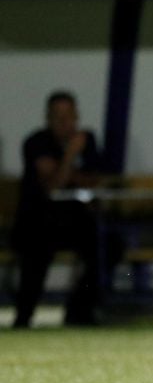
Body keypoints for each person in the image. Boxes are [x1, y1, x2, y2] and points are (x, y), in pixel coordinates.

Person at [11, 90, 106, 327]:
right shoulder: (36, 142)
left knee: (107, 247)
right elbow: (54, 187)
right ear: (48, 118)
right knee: (36, 249)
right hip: (37, 220)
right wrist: (71, 155)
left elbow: (95, 180)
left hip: (75, 220)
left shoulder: (89, 140)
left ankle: (79, 312)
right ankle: (24, 317)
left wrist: (67, 171)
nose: (65, 122)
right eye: (58, 116)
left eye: (69, 116)